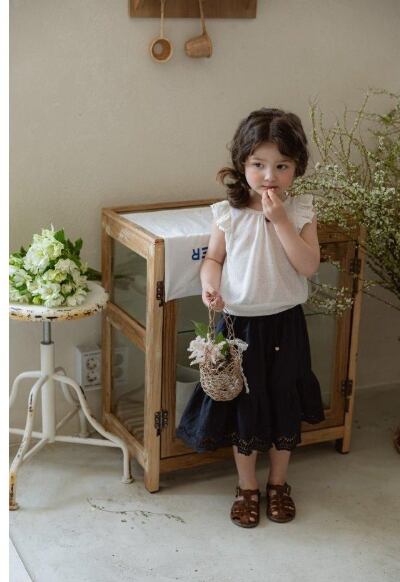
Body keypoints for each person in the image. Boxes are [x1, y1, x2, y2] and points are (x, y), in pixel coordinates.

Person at [176, 108, 325, 528]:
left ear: (297, 168)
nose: (269, 176)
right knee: (242, 403)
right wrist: (210, 284)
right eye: (258, 164)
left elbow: (308, 265)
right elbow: (214, 259)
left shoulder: (300, 211)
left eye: (282, 166)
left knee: (282, 400)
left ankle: (278, 483)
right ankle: (247, 487)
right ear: (242, 164)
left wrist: (280, 221)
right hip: (238, 324)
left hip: (285, 322)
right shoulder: (229, 213)